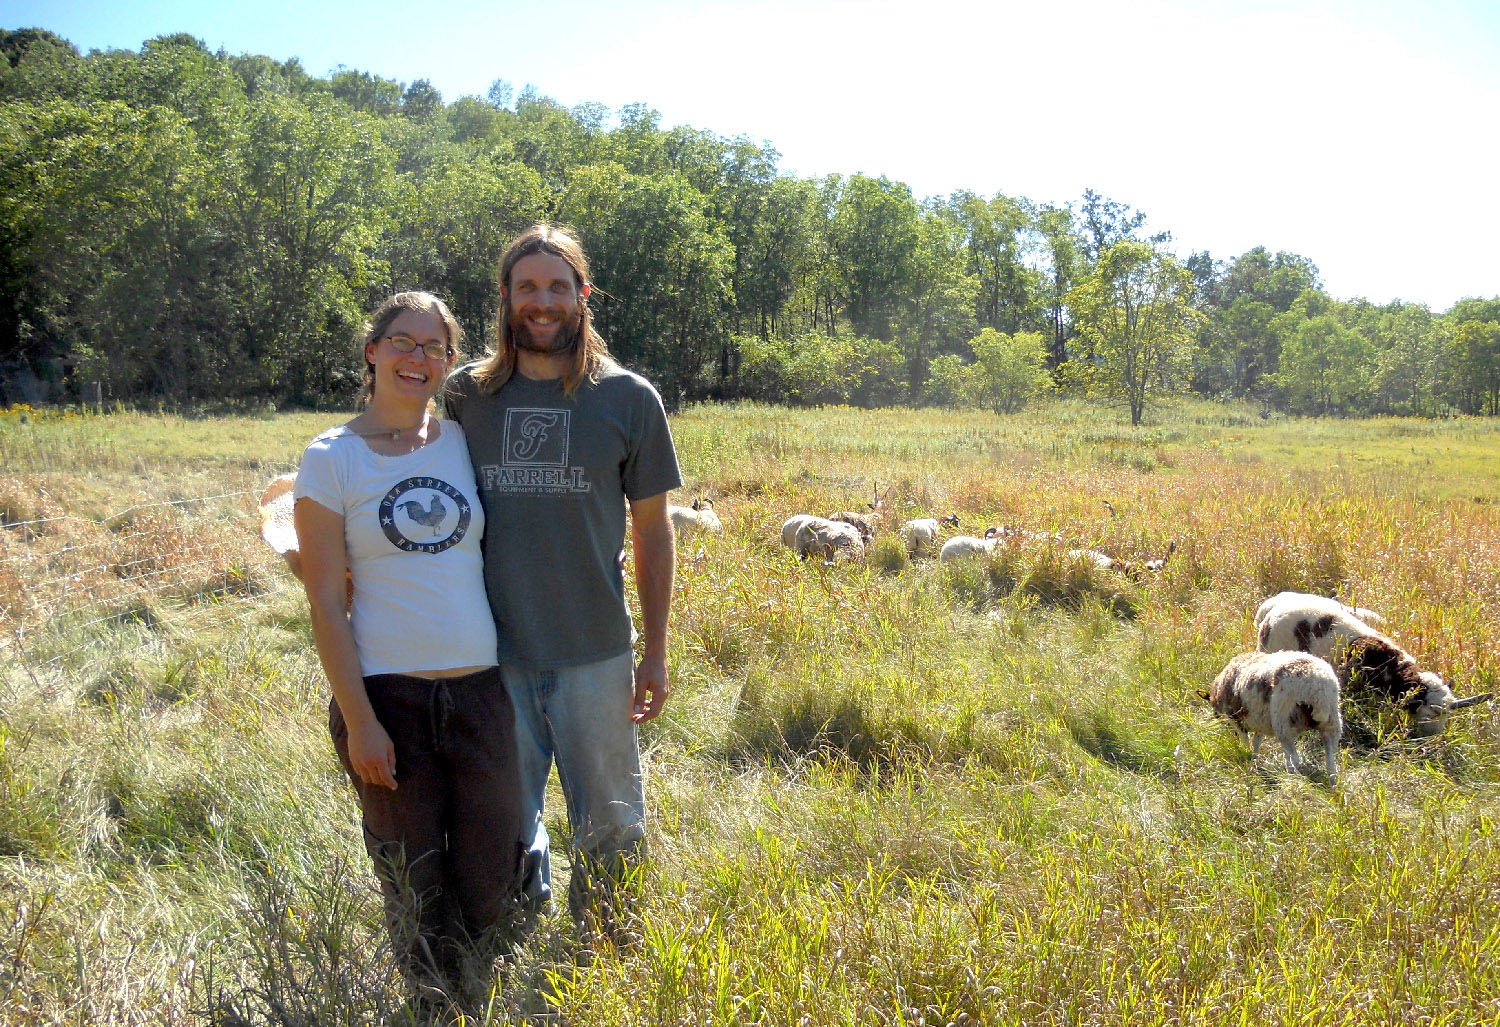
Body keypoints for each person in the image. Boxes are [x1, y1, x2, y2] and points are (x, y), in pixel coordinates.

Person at [443, 224, 680, 938]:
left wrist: (657, 650)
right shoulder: (465, 398)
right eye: (526, 287)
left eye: (556, 286)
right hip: (488, 652)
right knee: (503, 819)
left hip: (595, 650)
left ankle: (607, 942)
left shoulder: (628, 399)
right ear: (506, 298)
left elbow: (654, 530)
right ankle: (512, 930)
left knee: (609, 816)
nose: (540, 301)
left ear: (581, 295)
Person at [292, 291, 521, 996]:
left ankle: (480, 991)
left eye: (433, 347)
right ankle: (429, 1002)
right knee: (410, 879)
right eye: (401, 341)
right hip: (389, 698)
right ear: (372, 349)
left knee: (490, 875)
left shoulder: (460, 439)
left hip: (483, 694)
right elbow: (327, 599)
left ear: (450, 362)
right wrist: (359, 718)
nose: (416, 358)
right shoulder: (332, 458)